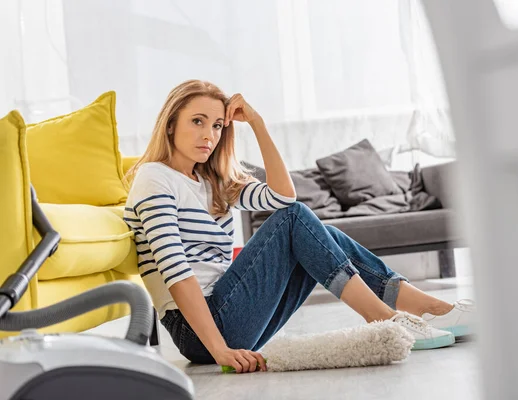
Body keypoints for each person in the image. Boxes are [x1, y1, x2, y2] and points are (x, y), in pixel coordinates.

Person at [124, 80, 474, 374]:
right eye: (197, 121)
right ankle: (386, 318)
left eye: (217, 125)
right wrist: (218, 350)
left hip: (227, 315)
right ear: (171, 124)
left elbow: (281, 195)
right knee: (296, 219)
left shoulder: (210, 179)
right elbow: (176, 272)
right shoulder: (155, 178)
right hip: (198, 330)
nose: (209, 135)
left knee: (321, 235)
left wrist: (258, 124)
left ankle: (432, 310)